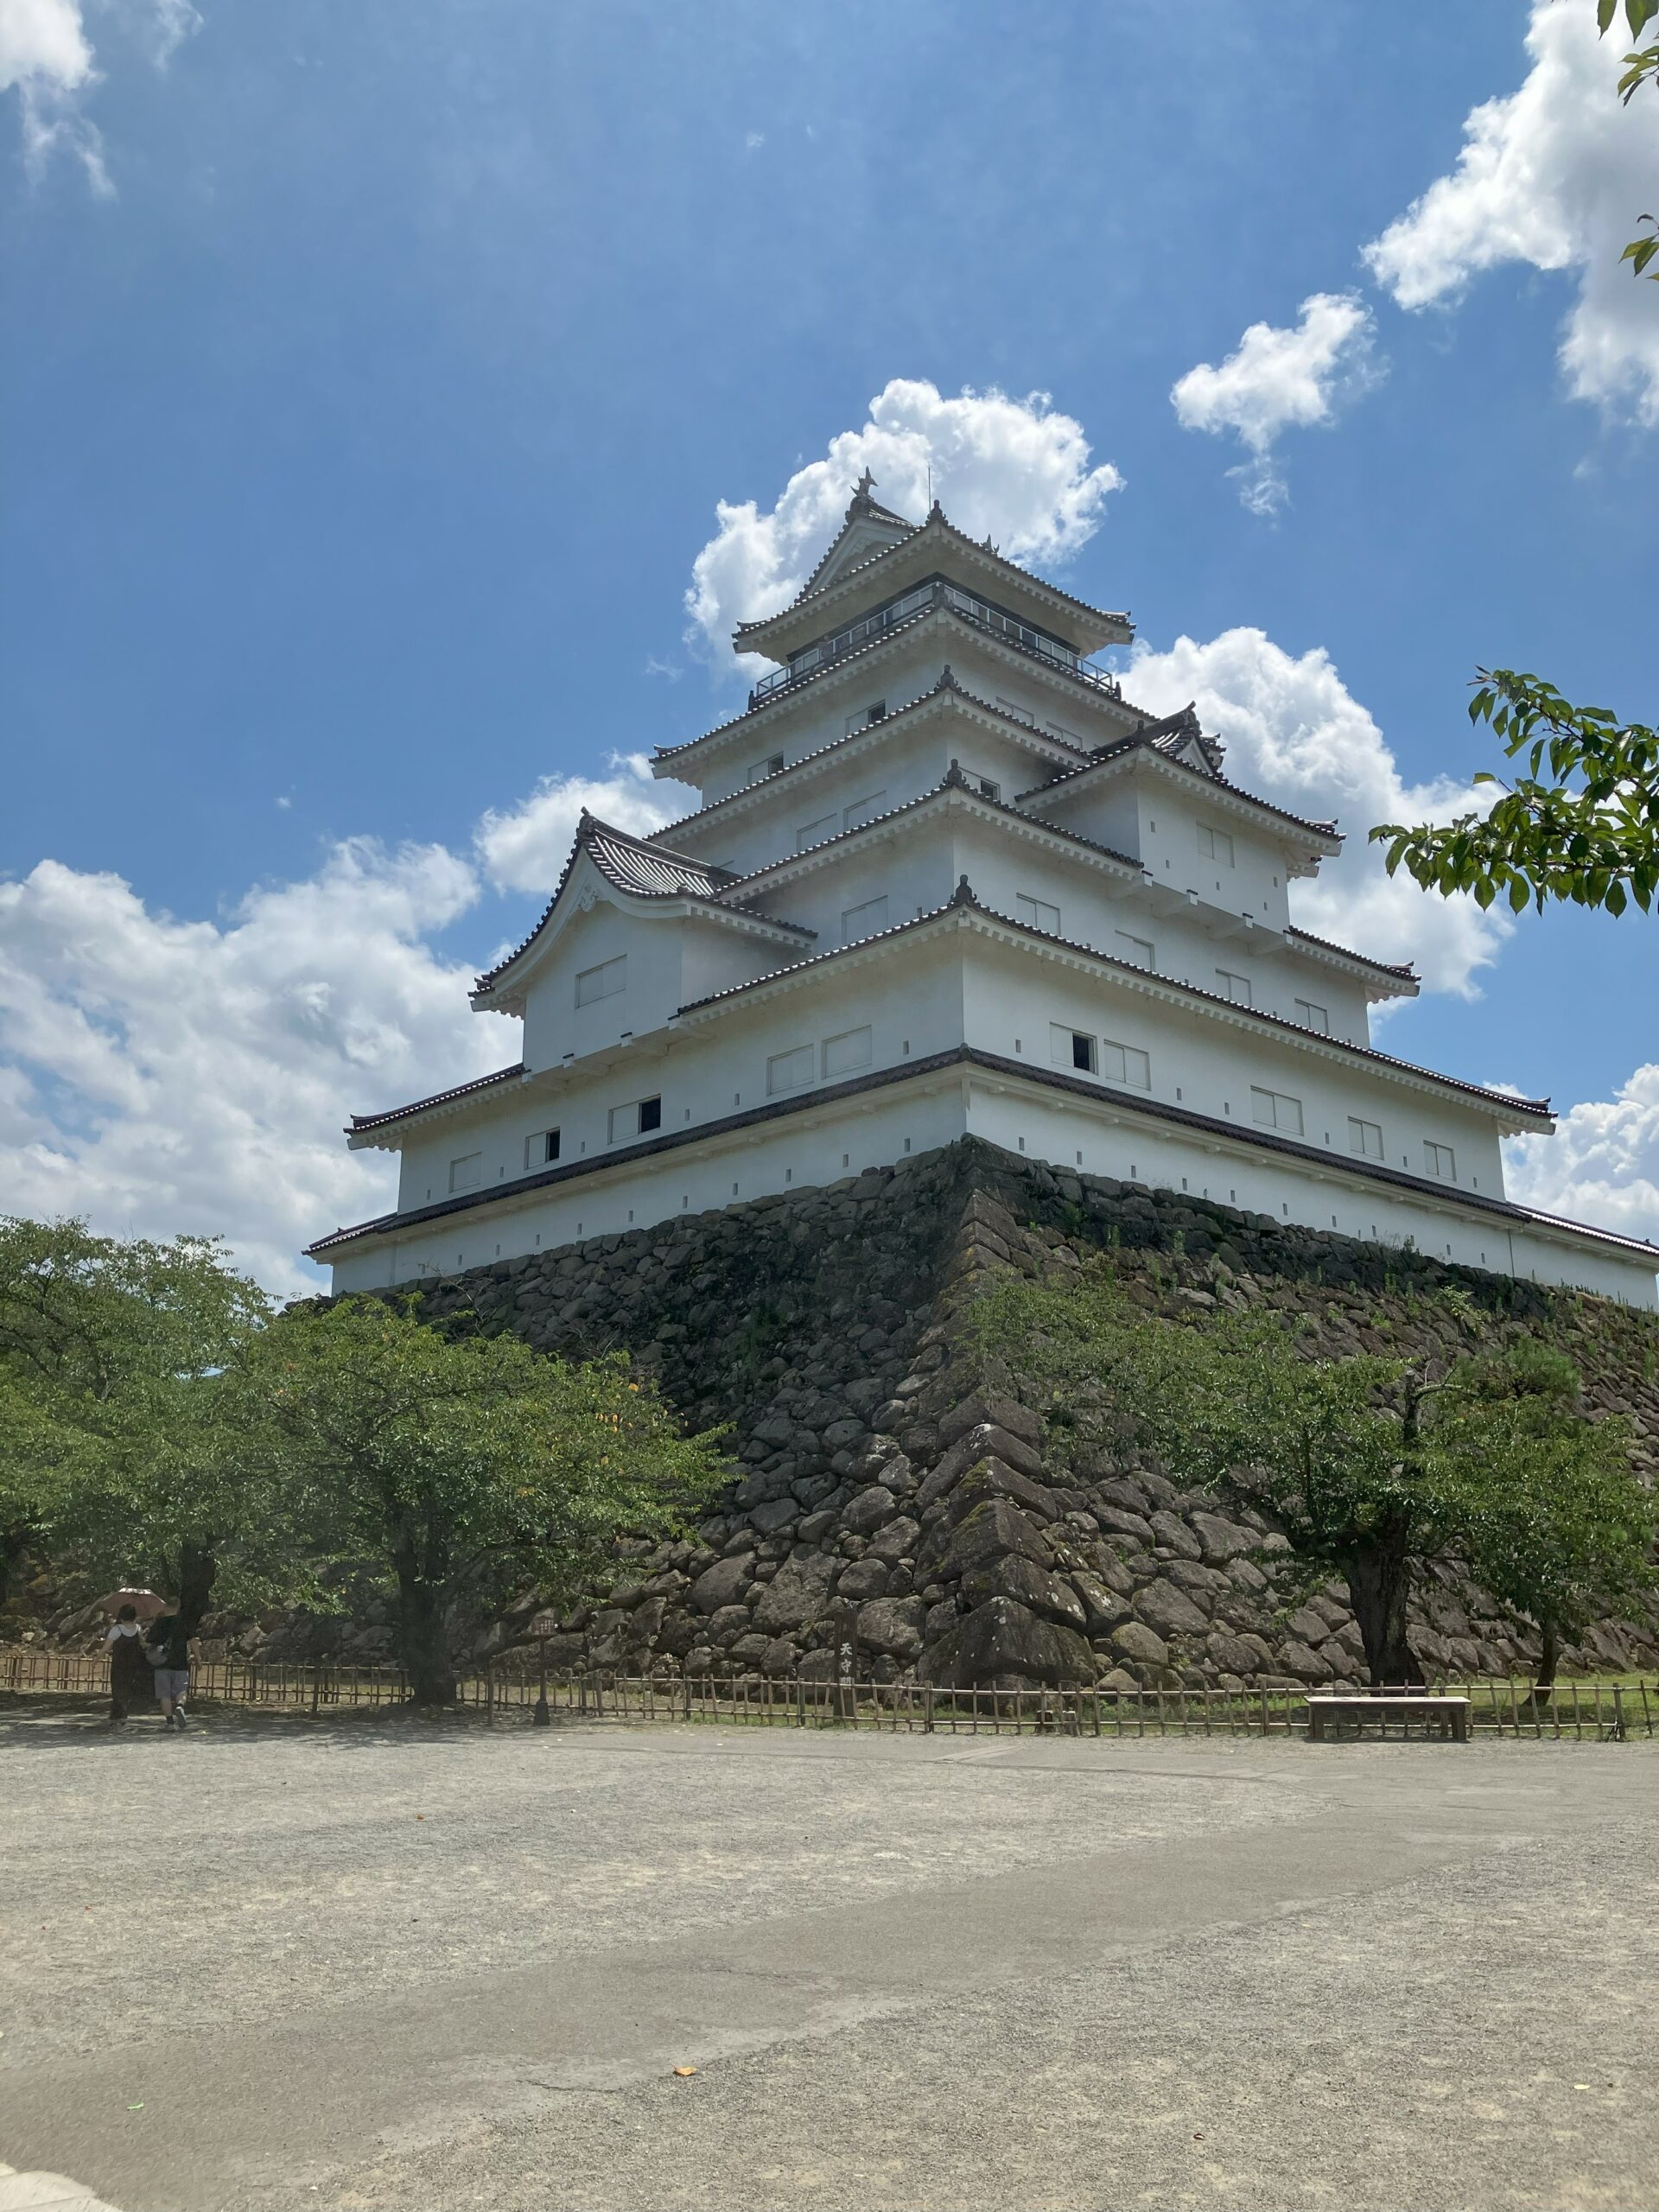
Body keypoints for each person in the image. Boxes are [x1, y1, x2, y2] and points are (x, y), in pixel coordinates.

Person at [144, 1611, 192, 1731]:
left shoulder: (159, 1623)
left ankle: (170, 1723)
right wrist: (198, 1658)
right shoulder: (185, 1622)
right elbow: (193, 1641)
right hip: (180, 1663)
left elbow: (149, 1642)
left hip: (162, 1664)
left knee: (164, 1694)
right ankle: (180, 1705)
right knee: (182, 1690)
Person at [105, 1603, 151, 1724]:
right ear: (134, 1616)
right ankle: (119, 1714)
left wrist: (96, 1659)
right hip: (133, 1664)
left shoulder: (117, 1629)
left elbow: (106, 1647)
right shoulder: (138, 1628)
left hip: (118, 1664)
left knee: (117, 1688)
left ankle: (119, 1714)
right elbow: (141, 1643)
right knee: (127, 1688)